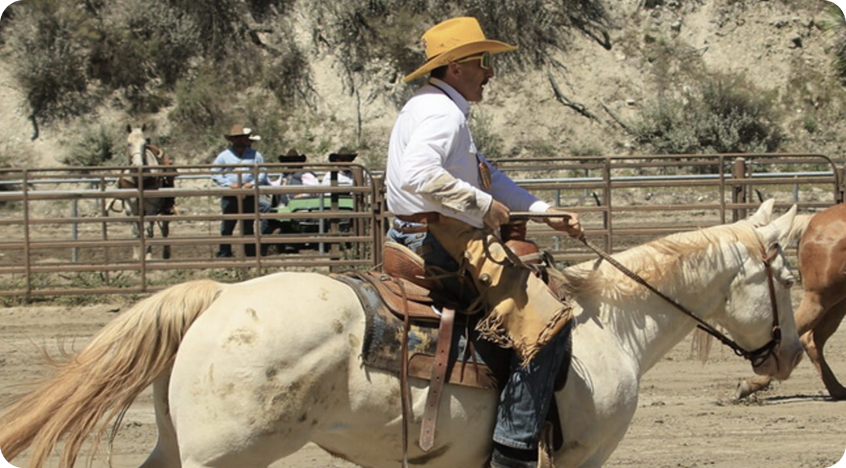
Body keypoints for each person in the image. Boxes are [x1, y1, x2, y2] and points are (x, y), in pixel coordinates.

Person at [385, 17, 583, 468]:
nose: (489, 72)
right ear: (456, 67)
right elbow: (419, 174)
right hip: (444, 239)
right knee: (547, 324)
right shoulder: (444, 113)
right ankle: (513, 450)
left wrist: (544, 212)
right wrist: (481, 205)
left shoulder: (429, 105)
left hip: (418, 230)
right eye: (482, 62)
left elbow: (490, 177)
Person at [211, 124, 271, 257]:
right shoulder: (224, 156)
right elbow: (215, 173)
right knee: (227, 225)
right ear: (232, 140)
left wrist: (252, 183)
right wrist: (229, 184)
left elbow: (262, 172)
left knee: (248, 225)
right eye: (236, 138)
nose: (239, 140)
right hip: (231, 194)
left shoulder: (255, 155)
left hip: (248, 194)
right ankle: (224, 252)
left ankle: (250, 253)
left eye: (241, 137)